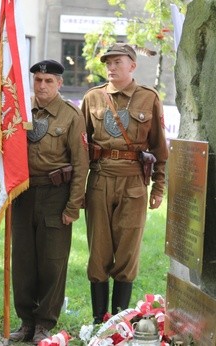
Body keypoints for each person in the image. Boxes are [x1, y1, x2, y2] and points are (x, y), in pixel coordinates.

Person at [81, 43, 168, 324]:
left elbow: (159, 149)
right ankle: (98, 323)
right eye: (107, 62)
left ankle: (118, 323)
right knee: (98, 253)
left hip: (133, 183)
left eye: (117, 62)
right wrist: (76, 191)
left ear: (132, 65)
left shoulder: (147, 99)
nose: (111, 67)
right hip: (100, 180)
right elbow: (80, 150)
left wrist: (159, 187)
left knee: (127, 254)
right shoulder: (92, 98)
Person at [8, 60, 89, 344]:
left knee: (52, 262)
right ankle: (26, 321)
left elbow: (81, 164)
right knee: (23, 261)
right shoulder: (19, 112)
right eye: (38, 80)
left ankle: (44, 322)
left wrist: (73, 206)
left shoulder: (70, 115)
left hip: (56, 196)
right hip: (24, 195)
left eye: (48, 81)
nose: (41, 85)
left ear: (59, 84)